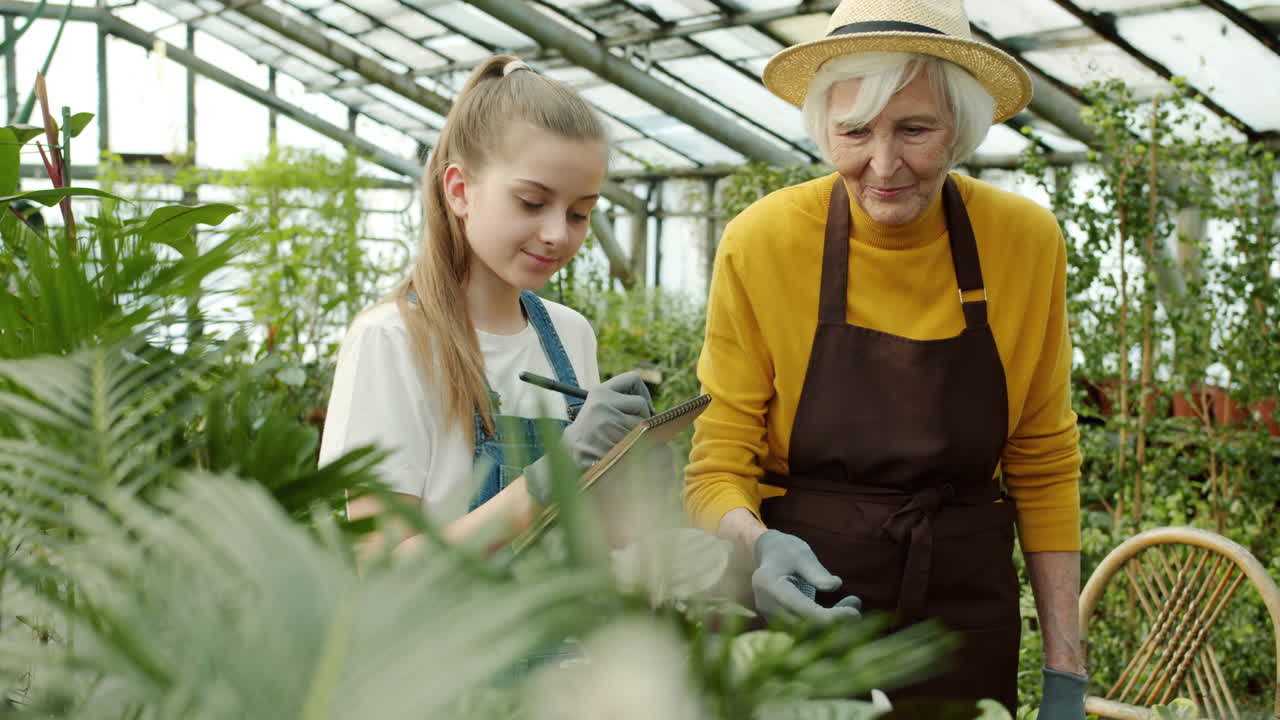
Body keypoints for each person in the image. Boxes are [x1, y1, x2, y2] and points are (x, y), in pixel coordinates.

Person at [683, 1, 1087, 717]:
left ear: (959, 129)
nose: (883, 163)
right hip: (804, 609)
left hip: (962, 617)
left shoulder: (1024, 241)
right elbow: (718, 461)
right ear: (825, 130)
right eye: (855, 131)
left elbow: (1043, 458)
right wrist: (758, 546)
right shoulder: (765, 242)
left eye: (915, 129)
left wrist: (1067, 669)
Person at [319, 55, 654, 561]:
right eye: (531, 202)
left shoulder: (569, 335)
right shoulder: (393, 341)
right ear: (459, 191)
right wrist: (548, 480)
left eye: (580, 212)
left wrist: (629, 481)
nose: (558, 234)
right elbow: (380, 569)